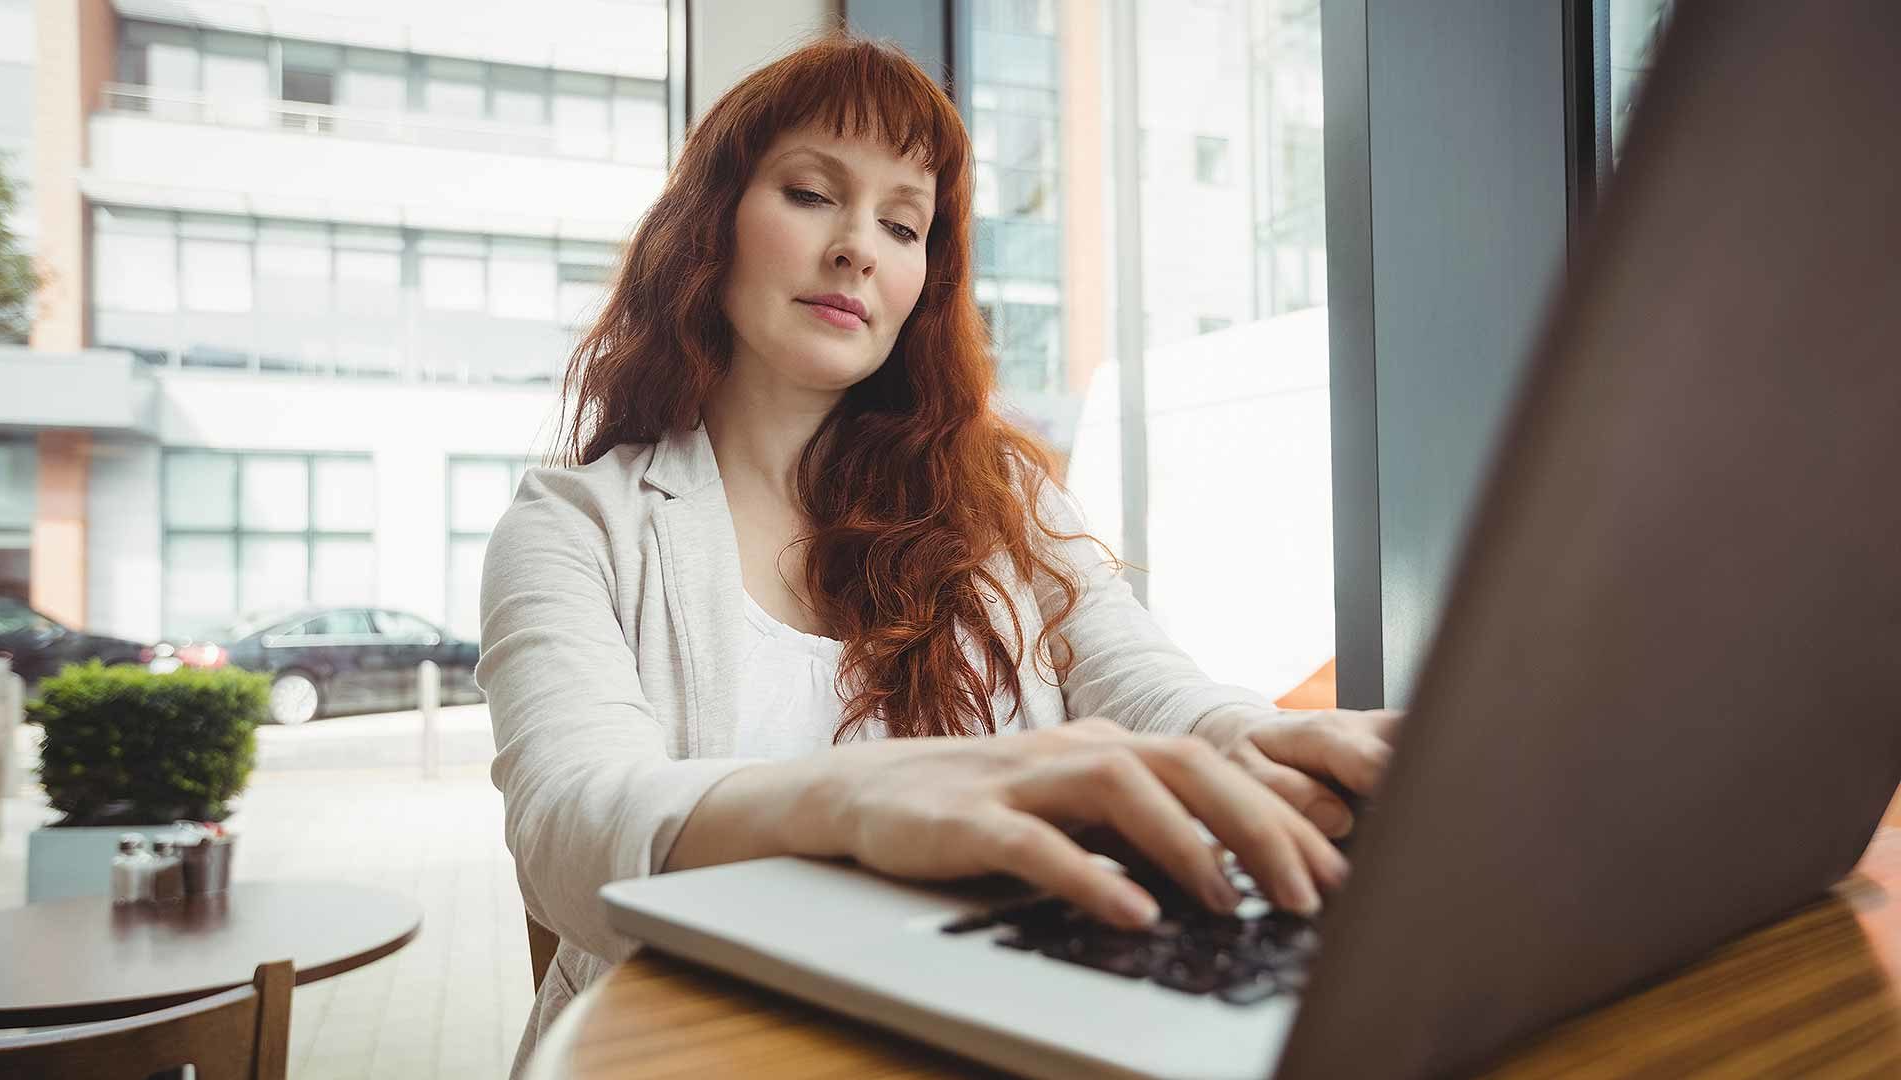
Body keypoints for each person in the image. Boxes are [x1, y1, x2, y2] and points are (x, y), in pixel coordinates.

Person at [478, 32, 1399, 1071]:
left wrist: (1251, 744)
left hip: (1001, 1029)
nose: (858, 247)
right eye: (813, 193)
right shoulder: (574, 526)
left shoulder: (1004, 498)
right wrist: (861, 801)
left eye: (903, 221)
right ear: (714, 222)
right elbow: (568, 824)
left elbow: (1145, 686)